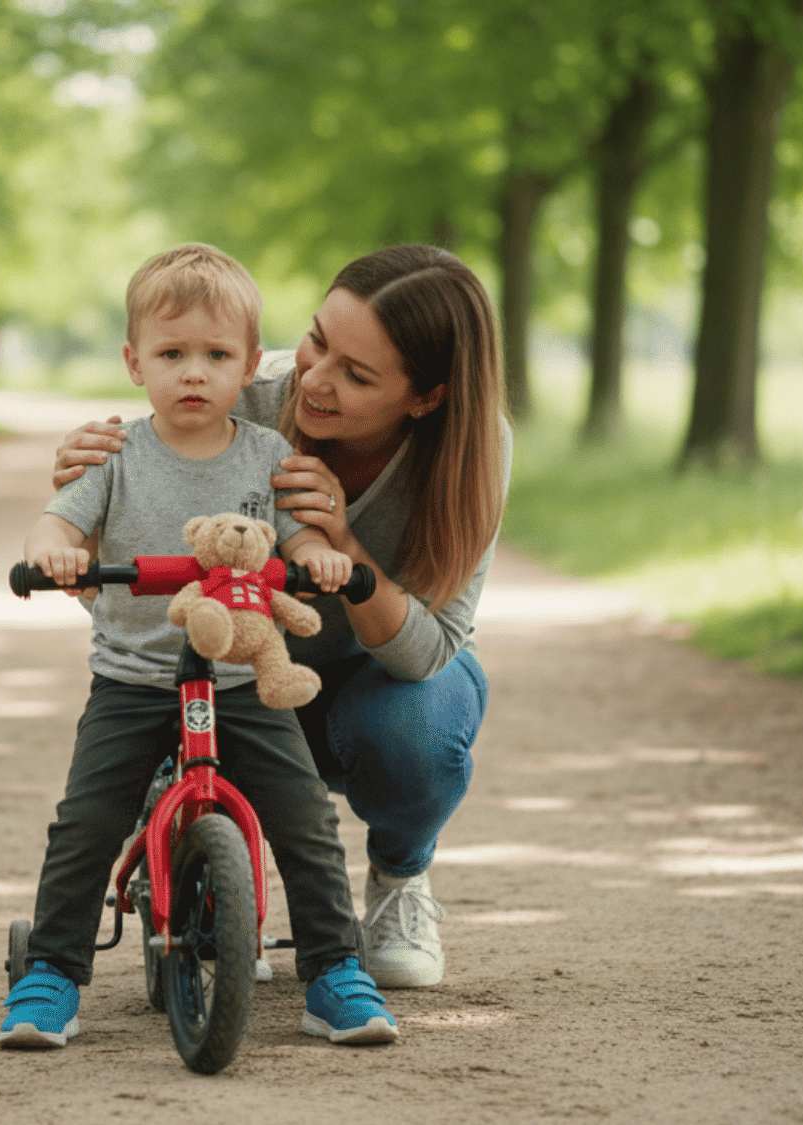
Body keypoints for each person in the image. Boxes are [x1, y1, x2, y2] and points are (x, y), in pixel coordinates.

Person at [52, 244, 509, 991]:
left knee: (414, 730)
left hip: (376, 686)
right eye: (319, 340)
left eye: (357, 375)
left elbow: (426, 653)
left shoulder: (470, 451)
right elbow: (123, 582)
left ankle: (399, 878)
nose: (316, 380)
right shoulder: (243, 402)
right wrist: (85, 517)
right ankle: (194, 849)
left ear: (426, 397)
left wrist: (346, 544)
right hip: (234, 674)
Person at [3, 243, 398, 1051]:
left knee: (305, 818)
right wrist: (58, 548)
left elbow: (303, 533)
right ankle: (50, 973)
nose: (193, 372)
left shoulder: (268, 454)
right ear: (133, 361)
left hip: (243, 681)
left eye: (216, 355)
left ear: (252, 364)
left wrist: (322, 556)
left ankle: (333, 970)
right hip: (132, 680)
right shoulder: (117, 454)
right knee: (85, 819)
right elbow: (58, 517)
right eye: (171, 353)